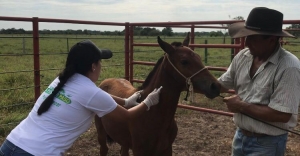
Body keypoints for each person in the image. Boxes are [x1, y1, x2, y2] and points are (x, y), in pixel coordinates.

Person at [0, 40, 163, 156]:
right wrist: (148, 102)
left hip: (10, 144)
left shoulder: (61, 80)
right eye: (100, 62)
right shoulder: (89, 91)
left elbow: (97, 96)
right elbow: (128, 116)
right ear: (93, 66)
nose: (101, 66)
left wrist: (126, 101)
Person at [218, 7, 300, 156]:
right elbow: (222, 84)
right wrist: (189, 77)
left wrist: (241, 106)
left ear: (271, 40)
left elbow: (282, 115)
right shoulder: (243, 56)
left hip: (267, 144)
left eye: (252, 38)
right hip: (240, 136)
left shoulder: (289, 67)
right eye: (246, 37)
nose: (246, 43)